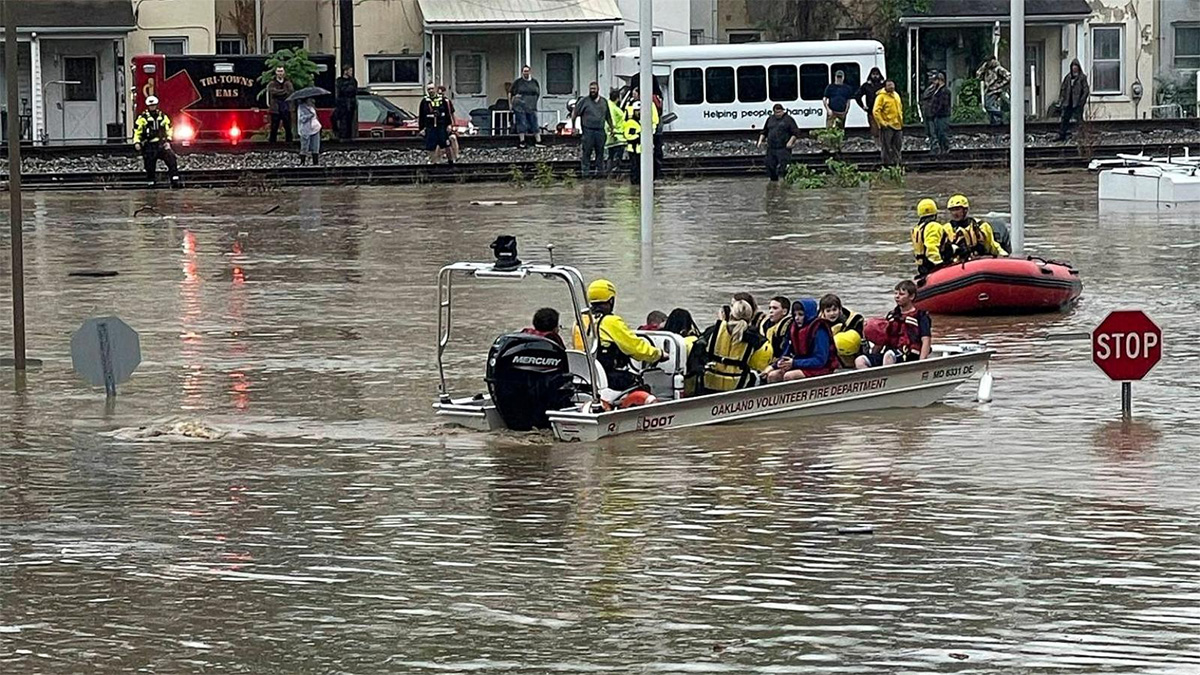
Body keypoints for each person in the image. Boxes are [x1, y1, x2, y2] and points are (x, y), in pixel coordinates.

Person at [572, 279, 663, 391]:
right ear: (611, 300)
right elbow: (635, 348)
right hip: (606, 377)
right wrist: (658, 354)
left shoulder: (581, 320)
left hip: (584, 377)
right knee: (639, 384)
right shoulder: (610, 321)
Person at [700, 299, 772, 393]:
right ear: (750, 317)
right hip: (738, 385)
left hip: (710, 384)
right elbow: (757, 364)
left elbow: (699, 352)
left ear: (731, 315)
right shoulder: (756, 338)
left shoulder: (713, 331)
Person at [855, 281, 932, 368]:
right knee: (860, 360)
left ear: (911, 296)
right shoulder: (892, 315)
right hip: (890, 353)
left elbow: (926, 340)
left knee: (889, 356)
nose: (897, 297)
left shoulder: (921, 316)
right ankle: (874, 380)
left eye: (902, 294)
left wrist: (922, 363)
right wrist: (873, 353)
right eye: (895, 294)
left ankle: (887, 379)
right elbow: (883, 339)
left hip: (909, 355)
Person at [763, 296, 840, 383]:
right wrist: (773, 366)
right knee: (773, 375)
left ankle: (795, 396)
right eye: (795, 315)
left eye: (801, 314)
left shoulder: (819, 329)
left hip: (822, 367)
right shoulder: (793, 328)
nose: (797, 318)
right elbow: (786, 352)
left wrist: (794, 363)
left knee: (789, 376)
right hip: (799, 363)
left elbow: (820, 360)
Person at [132, 95, 180, 187]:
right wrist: (137, 142)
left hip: (161, 144)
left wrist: (168, 140)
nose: (152, 107)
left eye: (154, 105)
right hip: (149, 144)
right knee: (149, 164)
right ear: (148, 106)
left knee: (171, 159)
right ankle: (151, 183)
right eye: (151, 105)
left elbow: (169, 128)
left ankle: (175, 180)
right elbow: (137, 131)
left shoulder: (162, 117)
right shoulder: (143, 118)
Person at [946, 194, 1007, 261]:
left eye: (957, 209)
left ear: (965, 210)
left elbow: (992, 245)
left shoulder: (981, 226)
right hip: (957, 263)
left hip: (979, 259)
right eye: (952, 210)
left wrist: (1004, 255)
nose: (954, 213)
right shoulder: (947, 229)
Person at [571, 81, 612, 179]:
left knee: (600, 153)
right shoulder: (584, 101)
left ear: (598, 89)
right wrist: (573, 127)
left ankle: (600, 173)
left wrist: (612, 127)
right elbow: (574, 114)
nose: (592, 91)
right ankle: (585, 174)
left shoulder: (604, 102)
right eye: (591, 89)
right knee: (586, 153)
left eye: (594, 89)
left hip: (600, 131)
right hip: (588, 131)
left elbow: (608, 116)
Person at [911, 198, 955, 275]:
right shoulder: (934, 226)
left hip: (923, 268)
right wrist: (939, 264)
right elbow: (931, 248)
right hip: (933, 267)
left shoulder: (918, 228)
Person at [757, 104, 801, 182]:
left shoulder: (788, 119)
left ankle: (785, 184)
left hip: (783, 148)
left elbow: (795, 132)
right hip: (771, 147)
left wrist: (790, 142)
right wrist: (760, 141)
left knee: (784, 167)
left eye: (780, 112)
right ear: (774, 112)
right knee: (770, 166)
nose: (778, 114)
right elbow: (764, 131)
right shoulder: (770, 119)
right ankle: (773, 183)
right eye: (777, 112)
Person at [622, 101, 660, 185]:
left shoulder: (645, 122)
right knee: (635, 170)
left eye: (640, 110)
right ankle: (636, 186)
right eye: (637, 111)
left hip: (645, 150)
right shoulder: (630, 122)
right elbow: (628, 136)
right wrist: (639, 137)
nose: (639, 112)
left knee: (648, 168)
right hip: (634, 150)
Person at [419, 84, 453, 164]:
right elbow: (421, 116)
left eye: (432, 89)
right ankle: (433, 163)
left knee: (446, 144)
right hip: (430, 126)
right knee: (431, 146)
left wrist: (449, 124)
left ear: (435, 89)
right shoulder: (424, 101)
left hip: (441, 125)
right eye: (429, 89)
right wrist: (421, 128)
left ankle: (451, 161)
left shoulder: (442, 100)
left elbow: (448, 113)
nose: (430, 91)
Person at [873, 79, 904, 166]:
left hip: (898, 125)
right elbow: (876, 111)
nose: (892, 87)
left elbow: (900, 108)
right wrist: (882, 123)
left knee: (897, 147)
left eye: (892, 85)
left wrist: (901, 121)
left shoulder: (896, 95)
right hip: (887, 126)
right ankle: (886, 165)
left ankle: (897, 164)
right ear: (885, 87)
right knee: (886, 147)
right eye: (889, 85)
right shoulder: (881, 97)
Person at [510, 64, 542, 148]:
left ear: (530, 72)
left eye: (527, 71)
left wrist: (534, 101)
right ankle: (522, 141)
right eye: (524, 71)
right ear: (522, 72)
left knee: (534, 122)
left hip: (531, 106)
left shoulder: (534, 82)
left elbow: (538, 93)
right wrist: (511, 103)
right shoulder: (518, 82)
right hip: (520, 106)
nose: (526, 73)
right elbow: (511, 92)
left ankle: (538, 141)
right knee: (522, 123)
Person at [1058, 58, 1090, 141]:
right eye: (1073, 66)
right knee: (1065, 119)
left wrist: (1081, 102)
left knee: (1079, 120)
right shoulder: (1067, 78)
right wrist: (1062, 99)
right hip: (1068, 102)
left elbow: (1086, 90)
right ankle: (1062, 135)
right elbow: (1063, 89)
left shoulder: (1082, 78)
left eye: (1076, 66)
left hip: (1077, 103)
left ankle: (1082, 136)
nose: (1074, 68)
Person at [976, 56, 1010, 126]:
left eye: (989, 61)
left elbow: (1008, 76)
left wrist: (1000, 84)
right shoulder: (986, 69)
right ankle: (996, 121)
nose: (988, 63)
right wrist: (983, 68)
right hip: (989, 89)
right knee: (988, 106)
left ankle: (1001, 115)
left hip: (996, 90)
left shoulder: (998, 69)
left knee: (988, 105)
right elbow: (978, 75)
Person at [855, 67, 886, 141]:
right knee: (874, 130)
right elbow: (857, 96)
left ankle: (884, 145)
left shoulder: (883, 85)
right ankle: (877, 146)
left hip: (883, 111)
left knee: (885, 130)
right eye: (873, 74)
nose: (875, 76)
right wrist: (863, 106)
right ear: (870, 75)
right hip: (871, 111)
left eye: (877, 74)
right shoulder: (866, 86)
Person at [266, 66, 294, 144]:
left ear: (284, 72)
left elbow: (290, 92)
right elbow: (273, 92)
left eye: (281, 71)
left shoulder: (288, 83)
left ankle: (289, 143)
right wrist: (284, 92)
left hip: (286, 108)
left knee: (288, 127)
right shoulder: (272, 83)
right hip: (275, 109)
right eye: (278, 71)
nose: (280, 73)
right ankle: (272, 143)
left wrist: (279, 93)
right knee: (274, 127)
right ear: (276, 72)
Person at [928, 72, 951, 155]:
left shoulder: (944, 91)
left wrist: (934, 112)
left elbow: (942, 104)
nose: (933, 82)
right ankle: (942, 149)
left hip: (942, 115)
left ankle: (946, 147)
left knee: (942, 133)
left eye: (935, 80)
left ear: (940, 80)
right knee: (938, 133)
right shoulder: (936, 90)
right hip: (938, 115)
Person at [333, 65, 358, 140]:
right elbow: (341, 90)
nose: (351, 73)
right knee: (336, 119)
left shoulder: (353, 80)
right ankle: (339, 134)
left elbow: (353, 91)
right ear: (345, 71)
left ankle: (348, 136)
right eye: (350, 71)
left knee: (349, 122)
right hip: (341, 104)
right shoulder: (339, 80)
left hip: (350, 105)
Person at [605, 88, 626, 177]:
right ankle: (614, 173)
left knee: (610, 155)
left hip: (612, 136)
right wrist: (614, 131)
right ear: (618, 98)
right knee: (616, 157)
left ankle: (610, 172)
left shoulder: (608, 105)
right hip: (617, 136)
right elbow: (612, 121)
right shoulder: (613, 108)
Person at [437, 85, 461, 163]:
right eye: (439, 93)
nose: (441, 95)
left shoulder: (447, 102)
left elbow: (452, 113)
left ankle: (456, 155)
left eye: (442, 93)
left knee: (452, 138)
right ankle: (442, 156)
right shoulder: (435, 102)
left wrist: (454, 124)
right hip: (440, 126)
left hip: (447, 125)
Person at [297, 96, 321, 165]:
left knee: (315, 146)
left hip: (315, 128)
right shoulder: (301, 108)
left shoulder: (312, 107)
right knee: (304, 146)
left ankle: (315, 162)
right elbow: (302, 119)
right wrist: (309, 116)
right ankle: (302, 161)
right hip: (305, 129)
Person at [919, 71, 937, 153]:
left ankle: (935, 147)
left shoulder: (935, 89)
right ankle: (932, 147)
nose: (930, 79)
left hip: (932, 113)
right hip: (927, 111)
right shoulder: (929, 87)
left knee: (933, 131)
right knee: (929, 130)